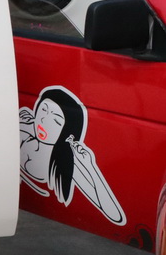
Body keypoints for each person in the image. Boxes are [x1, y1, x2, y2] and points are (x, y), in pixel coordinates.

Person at [18, 86, 124, 225]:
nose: (43, 120)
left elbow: (114, 214)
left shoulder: (65, 162)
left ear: (67, 131)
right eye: (43, 110)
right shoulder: (24, 129)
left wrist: (90, 168)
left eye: (56, 121)